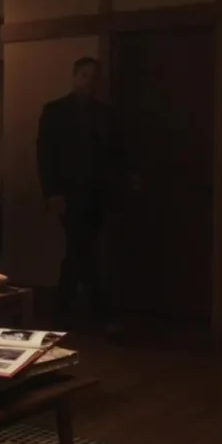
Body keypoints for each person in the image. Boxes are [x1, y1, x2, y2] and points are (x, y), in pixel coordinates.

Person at [36, 56, 137, 332]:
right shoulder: (55, 111)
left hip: (101, 193)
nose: (88, 82)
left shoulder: (106, 114)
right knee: (81, 248)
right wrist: (52, 192)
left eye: (93, 77)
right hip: (70, 193)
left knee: (85, 250)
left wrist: (128, 175)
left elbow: (118, 151)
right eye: (84, 76)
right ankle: (90, 311)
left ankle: (72, 310)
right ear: (74, 77)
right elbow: (46, 154)